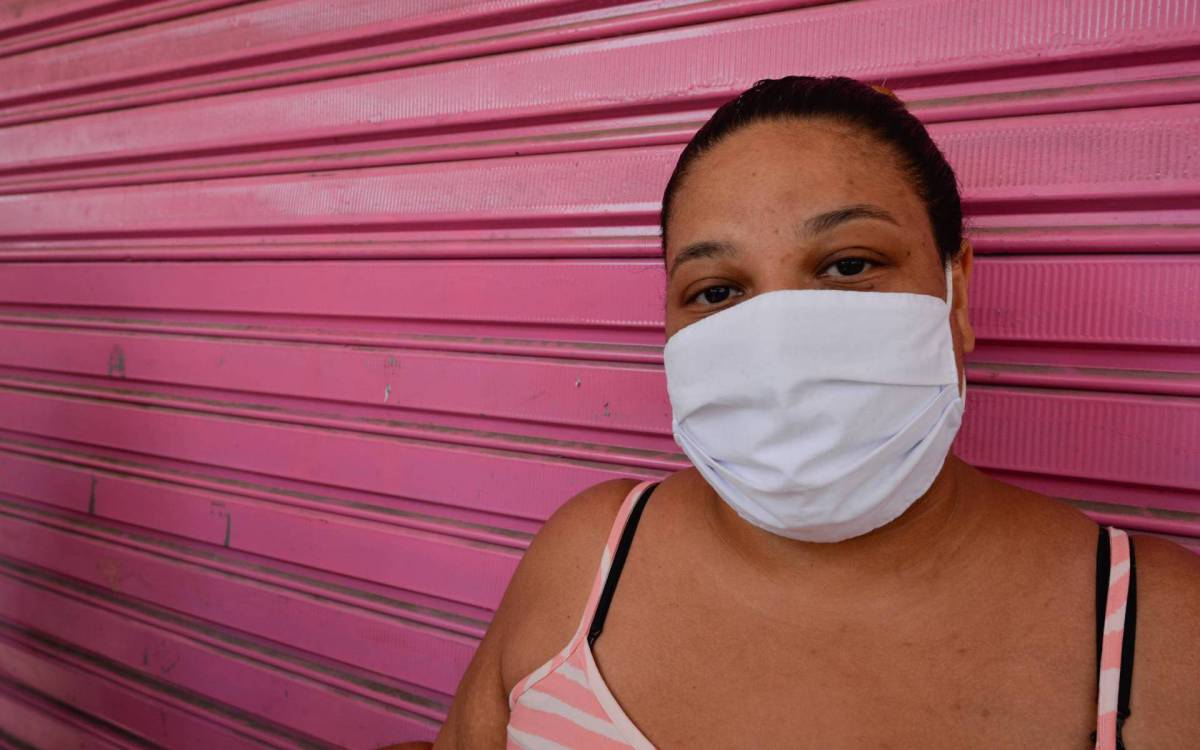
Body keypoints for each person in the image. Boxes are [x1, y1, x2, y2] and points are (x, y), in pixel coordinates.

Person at [392, 76, 1200, 750]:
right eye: (717, 291)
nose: (776, 346)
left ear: (958, 293)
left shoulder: (1163, 635)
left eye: (848, 265)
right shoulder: (582, 560)